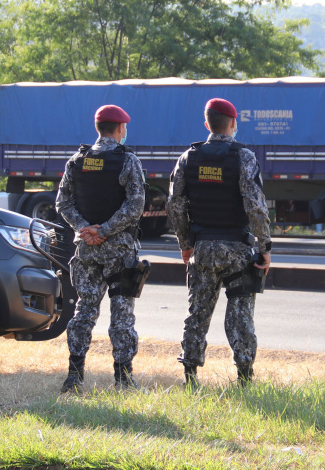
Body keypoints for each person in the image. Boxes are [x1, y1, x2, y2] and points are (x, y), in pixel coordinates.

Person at [167, 97, 272, 387]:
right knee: (240, 317)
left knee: (197, 314)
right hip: (237, 251)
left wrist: (185, 244)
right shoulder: (244, 157)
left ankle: (190, 377)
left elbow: (175, 205)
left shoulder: (189, 157)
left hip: (201, 250)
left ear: (206, 124)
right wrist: (264, 248)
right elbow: (256, 207)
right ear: (233, 124)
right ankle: (244, 378)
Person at [55, 104, 146, 392]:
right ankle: (123, 378)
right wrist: (104, 231)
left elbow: (62, 203)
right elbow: (136, 206)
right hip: (118, 251)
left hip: (87, 251)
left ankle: (74, 375)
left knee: (84, 311)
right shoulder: (128, 161)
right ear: (120, 129)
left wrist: (85, 229)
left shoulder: (77, 160)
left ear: (98, 128)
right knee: (122, 315)